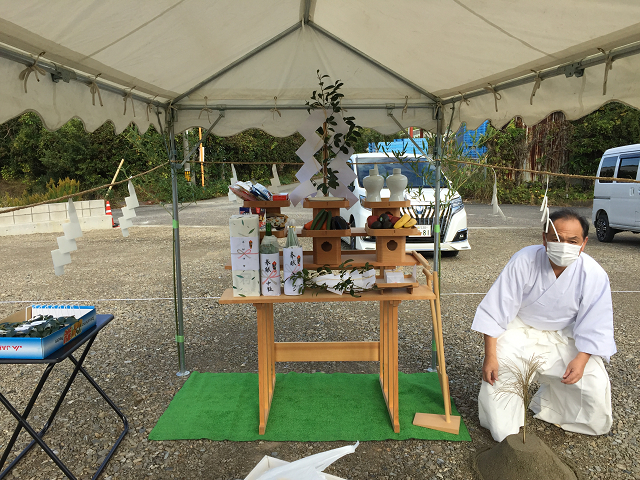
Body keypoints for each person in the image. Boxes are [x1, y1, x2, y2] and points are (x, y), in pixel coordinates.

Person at [472, 208, 615, 442]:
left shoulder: (593, 274)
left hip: (564, 335)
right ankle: (504, 427)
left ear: (584, 243)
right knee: (500, 371)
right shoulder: (524, 260)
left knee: (593, 380)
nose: (564, 246)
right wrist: (490, 356)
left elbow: (596, 322)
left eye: (572, 241)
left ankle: (554, 411)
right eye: (556, 239)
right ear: (544, 239)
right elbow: (496, 308)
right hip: (520, 331)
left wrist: (581, 359)